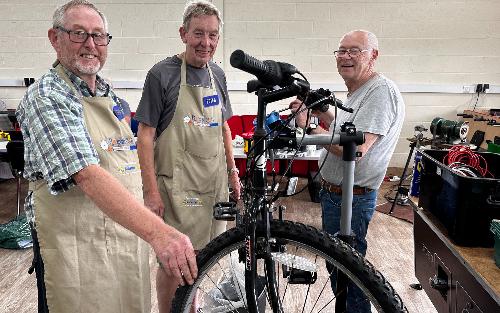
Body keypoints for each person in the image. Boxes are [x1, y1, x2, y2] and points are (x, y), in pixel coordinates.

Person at [15, 1, 197, 312]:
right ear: (54, 37)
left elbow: (125, 160)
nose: (90, 44)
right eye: (78, 34)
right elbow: (85, 173)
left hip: (122, 240)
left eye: (99, 36)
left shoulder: (108, 94)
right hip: (76, 249)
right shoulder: (47, 97)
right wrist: (160, 234)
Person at [134, 1, 241, 311]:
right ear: (183, 33)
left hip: (212, 188)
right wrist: (151, 192)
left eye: (212, 35)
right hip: (177, 191)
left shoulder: (217, 74)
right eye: (198, 33)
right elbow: (145, 135)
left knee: (202, 259)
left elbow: (223, 129)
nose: (205, 43)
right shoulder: (162, 74)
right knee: (173, 261)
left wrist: (232, 171)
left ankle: (189, 308)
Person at [290, 29, 405, 312]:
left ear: (373, 56)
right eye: (341, 51)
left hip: (350, 197)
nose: (345, 57)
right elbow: (344, 130)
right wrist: (322, 113)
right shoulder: (357, 91)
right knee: (340, 269)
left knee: (351, 276)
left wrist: (309, 126)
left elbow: (356, 150)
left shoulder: (380, 92)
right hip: (335, 195)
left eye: (354, 51)